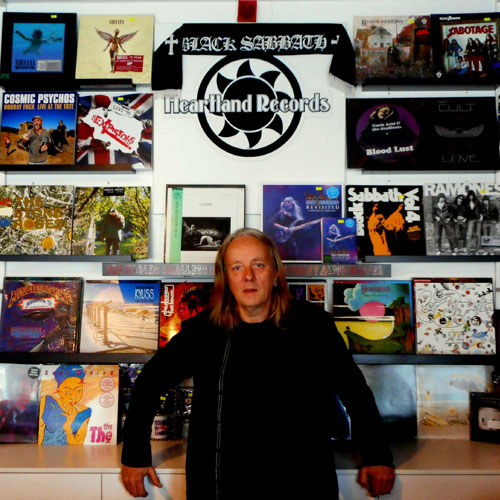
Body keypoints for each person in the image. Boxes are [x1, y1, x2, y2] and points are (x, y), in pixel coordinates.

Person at [121, 227, 395, 500]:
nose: (248, 276)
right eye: (237, 267)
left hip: (302, 483)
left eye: (258, 265)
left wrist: (377, 454)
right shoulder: (203, 330)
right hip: (221, 485)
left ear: (275, 273)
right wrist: (135, 454)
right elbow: (149, 381)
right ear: (226, 278)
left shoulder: (313, 325)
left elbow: (354, 390)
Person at [38, 365, 91, 445]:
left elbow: (78, 449)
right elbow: (40, 433)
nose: (73, 397)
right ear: (58, 390)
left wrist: (68, 429)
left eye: (79, 391)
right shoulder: (47, 402)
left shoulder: (84, 413)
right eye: (67, 392)